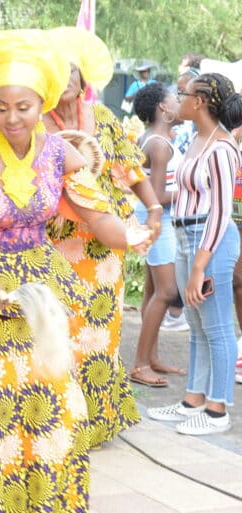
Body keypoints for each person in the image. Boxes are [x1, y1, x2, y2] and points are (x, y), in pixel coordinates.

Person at [0, 29, 151, 513]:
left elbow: (98, 215)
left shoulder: (61, 154)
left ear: (40, 102)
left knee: (56, 401)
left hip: (44, 292)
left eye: (23, 107)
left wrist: (134, 233)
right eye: (1, 107)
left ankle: (49, 503)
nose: (12, 117)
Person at [43, 27, 161, 448]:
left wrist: (156, 208)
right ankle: (64, 417)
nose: (69, 78)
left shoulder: (105, 120)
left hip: (103, 242)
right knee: (62, 330)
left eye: (74, 70)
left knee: (101, 333)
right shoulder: (37, 124)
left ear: (84, 78)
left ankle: (97, 420)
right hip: (56, 244)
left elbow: (131, 170)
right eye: (60, 71)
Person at [147, 73, 242, 435]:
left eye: (183, 94)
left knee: (217, 327)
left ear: (199, 102)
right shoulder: (197, 140)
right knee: (198, 327)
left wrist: (201, 262)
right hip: (187, 234)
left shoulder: (221, 148)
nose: (178, 99)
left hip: (211, 240)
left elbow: (220, 210)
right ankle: (193, 401)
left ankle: (217, 410)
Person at [130, 82, 186, 387]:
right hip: (158, 221)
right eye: (175, 99)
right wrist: (191, 189)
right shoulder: (159, 145)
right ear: (163, 109)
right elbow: (155, 196)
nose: (180, 102)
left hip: (153, 221)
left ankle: (150, 357)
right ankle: (140, 364)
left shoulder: (153, 139)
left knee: (153, 292)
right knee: (165, 292)